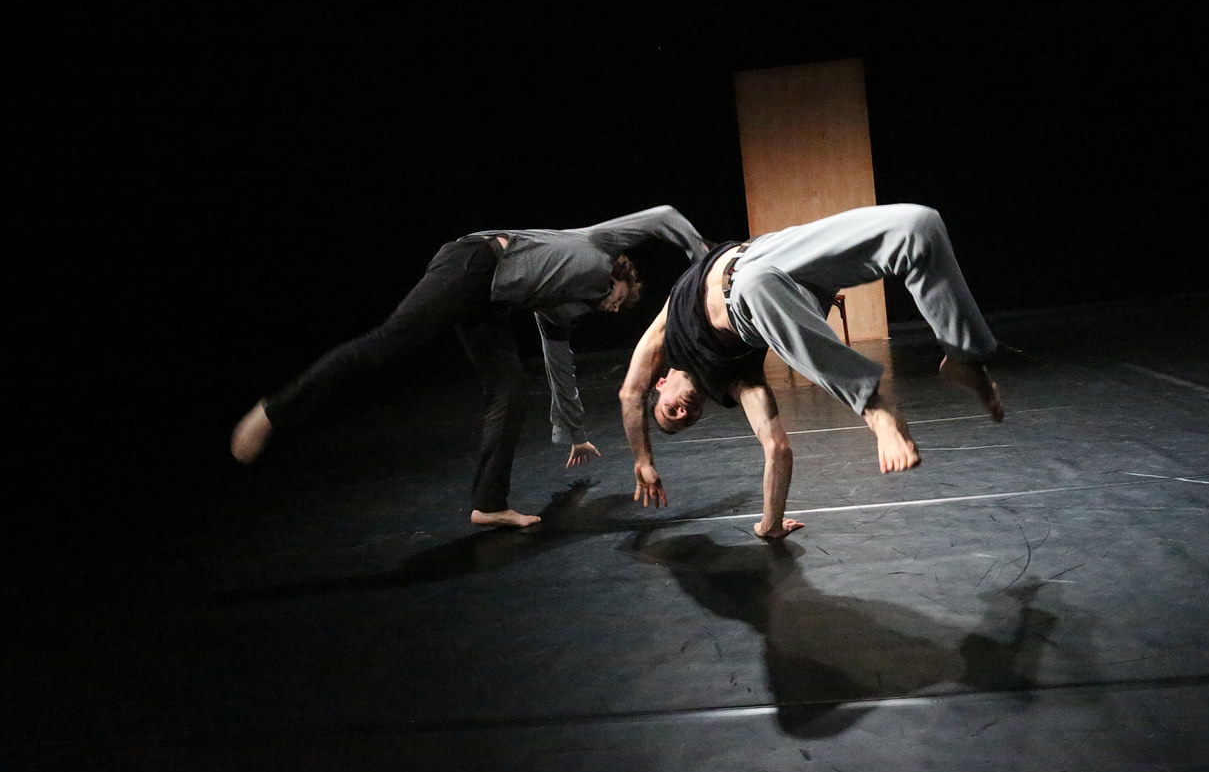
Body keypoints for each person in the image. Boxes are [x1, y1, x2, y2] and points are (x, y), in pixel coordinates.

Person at [232, 205, 708, 527]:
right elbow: (664, 216)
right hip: (475, 263)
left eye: (617, 307)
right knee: (387, 344)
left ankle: (489, 504)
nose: (614, 306)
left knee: (510, 389)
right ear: (622, 275)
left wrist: (574, 430)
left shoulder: (562, 305)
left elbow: (558, 362)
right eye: (620, 297)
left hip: (490, 302)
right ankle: (275, 411)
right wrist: (704, 264)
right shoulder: (598, 246)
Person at [618, 203, 1003, 539]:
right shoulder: (738, 381)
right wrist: (769, 524)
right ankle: (874, 408)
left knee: (919, 225)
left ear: (662, 382)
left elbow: (630, 394)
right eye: (687, 420)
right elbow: (777, 448)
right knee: (754, 283)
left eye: (670, 411)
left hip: (771, 250)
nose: (684, 412)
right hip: (760, 288)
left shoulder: (665, 336)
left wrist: (643, 461)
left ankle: (965, 355)